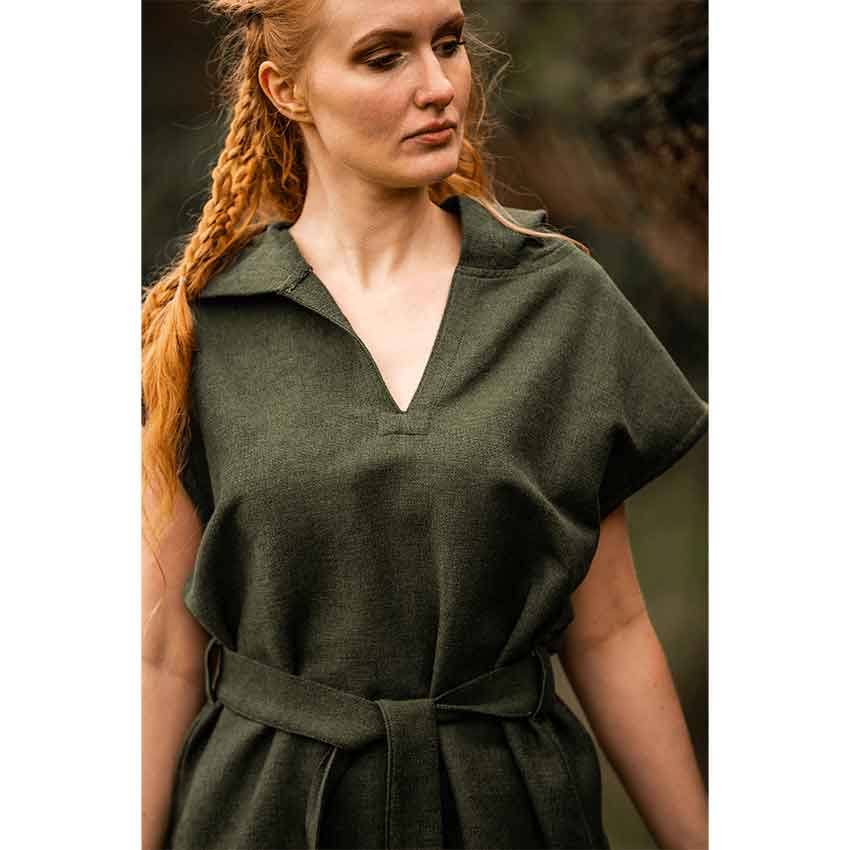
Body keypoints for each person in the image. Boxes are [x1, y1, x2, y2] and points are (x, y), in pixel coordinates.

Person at [141, 1, 709, 848]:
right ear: (286, 89)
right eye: (384, 58)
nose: (439, 85)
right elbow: (161, 655)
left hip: (509, 811)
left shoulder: (557, 301)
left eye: (449, 44)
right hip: (268, 812)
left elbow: (611, 627)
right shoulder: (204, 326)